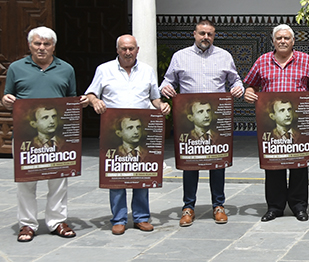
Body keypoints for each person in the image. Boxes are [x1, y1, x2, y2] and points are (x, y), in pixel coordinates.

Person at [161, 19, 243, 226]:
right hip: (189, 121)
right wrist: (165, 88)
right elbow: (168, 81)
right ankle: (188, 207)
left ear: (214, 36)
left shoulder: (224, 56)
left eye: (210, 34)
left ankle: (219, 205)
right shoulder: (180, 57)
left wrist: (238, 88)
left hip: (216, 119)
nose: (206, 37)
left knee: (218, 163)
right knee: (190, 164)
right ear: (194, 34)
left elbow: (236, 80)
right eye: (202, 33)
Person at [85, 34, 170, 235]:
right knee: (116, 175)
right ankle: (119, 218)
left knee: (142, 173)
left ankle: (141, 217)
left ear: (137, 50)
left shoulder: (148, 71)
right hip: (114, 133)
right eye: (124, 48)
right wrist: (94, 101)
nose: (128, 52)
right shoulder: (104, 70)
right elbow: (90, 94)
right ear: (117, 50)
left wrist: (162, 106)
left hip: (140, 131)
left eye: (131, 48)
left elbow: (154, 98)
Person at [3, 27, 78, 242]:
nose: (42, 48)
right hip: (26, 136)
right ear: (30, 45)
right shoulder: (16, 68)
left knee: (59, 179)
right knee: (26, 180)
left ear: (54, 46)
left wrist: (79, 104)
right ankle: (27, 224)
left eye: (46, 44)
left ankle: (57, 221)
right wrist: (6, 99)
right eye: (37, 44)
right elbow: (8, 96)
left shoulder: (66, 69)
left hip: (58, 137)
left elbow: (70, 99)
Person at [244, 24, 309, 222]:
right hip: (272, 125)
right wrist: (249, 93)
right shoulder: (262, 61)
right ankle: (275, 207)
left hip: (299, 124)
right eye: (279, 38)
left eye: (286, 38)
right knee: (274, 166)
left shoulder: (305, 60)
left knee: (299, 165)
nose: (282, 41)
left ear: (293, 41)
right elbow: (251, 86)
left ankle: (299, 207)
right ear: (273, 41)